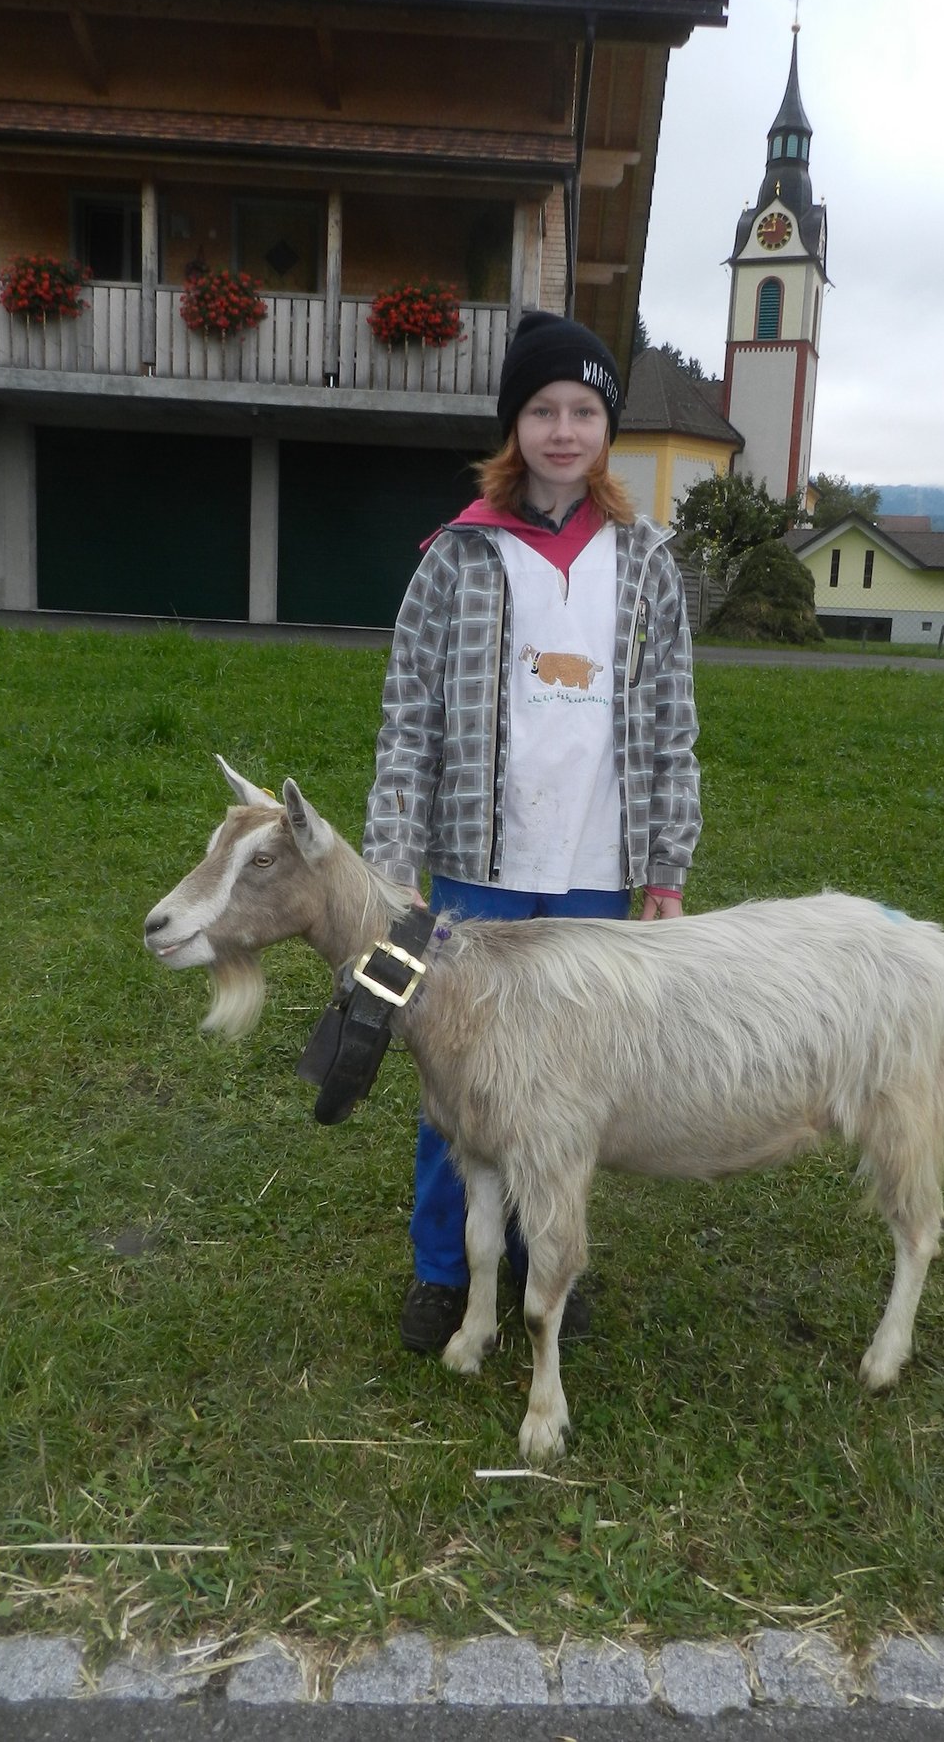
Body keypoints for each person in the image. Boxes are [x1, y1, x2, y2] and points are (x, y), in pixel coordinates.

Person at [363, 310, 702, 1352]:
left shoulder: (644, 559)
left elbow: (672, 715)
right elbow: (407, 714)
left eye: (584, 411)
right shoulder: (459, 557)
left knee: (569, 1087)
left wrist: (663, 864)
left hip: (597, 869)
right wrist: (389, 863)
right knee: (460, 1082)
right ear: (514, 425)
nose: (563, 429)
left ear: (607, 428)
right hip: (481, 868)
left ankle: (540, 1259)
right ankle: (438, 1266)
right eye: (543, 409)